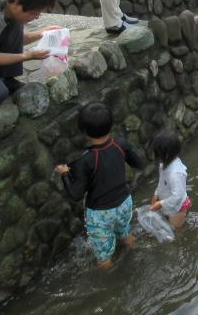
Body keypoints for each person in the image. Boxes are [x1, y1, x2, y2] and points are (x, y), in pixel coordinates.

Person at [54, 102, 147, 269]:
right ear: (110, 124)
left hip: (101, 214)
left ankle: (111, 283)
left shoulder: (86, 160)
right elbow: (140, 162)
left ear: (84, 132)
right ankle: (136, 255)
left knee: (103, 255)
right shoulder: (120, 144)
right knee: (125, 232)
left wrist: (65, 174)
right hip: (124, 203)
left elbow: (75, 194)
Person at [149, 130, 190, 231]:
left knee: (176, 230)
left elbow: (178, 196)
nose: (154, 156)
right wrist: (156, 194)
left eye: (156, 153)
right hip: (167, 201)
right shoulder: (163, 165)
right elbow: (161, 182)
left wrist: (161, 203)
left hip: (177, 207)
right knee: (168, 224)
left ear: (166, 155)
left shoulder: (176, 173)